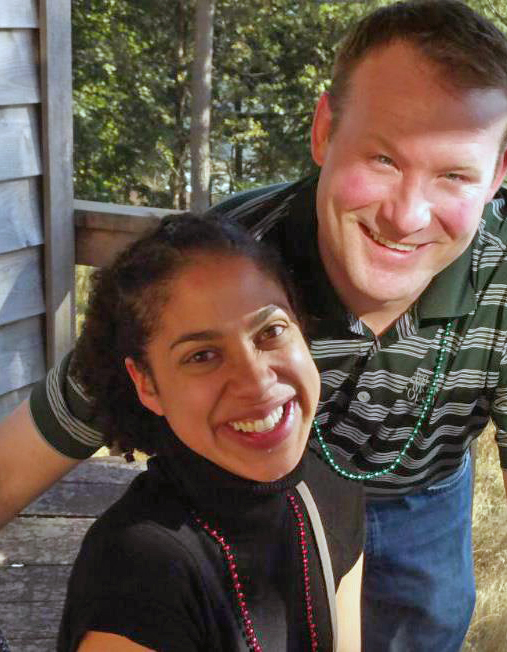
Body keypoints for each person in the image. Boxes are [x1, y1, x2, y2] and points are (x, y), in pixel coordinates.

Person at [0, 1, 507, 650]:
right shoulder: (229, 263)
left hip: (423, 504)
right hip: (248, 510)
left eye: (453, 173)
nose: (405, 216)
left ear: (498, 172)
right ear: (324, 132)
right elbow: (16, 463)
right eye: (381, 158)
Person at [57, 213, 364, 651]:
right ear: (147, 383)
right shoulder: (137, 575)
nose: (256, 382)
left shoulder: (333, 492)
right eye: (202, 356)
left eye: (271, 331)